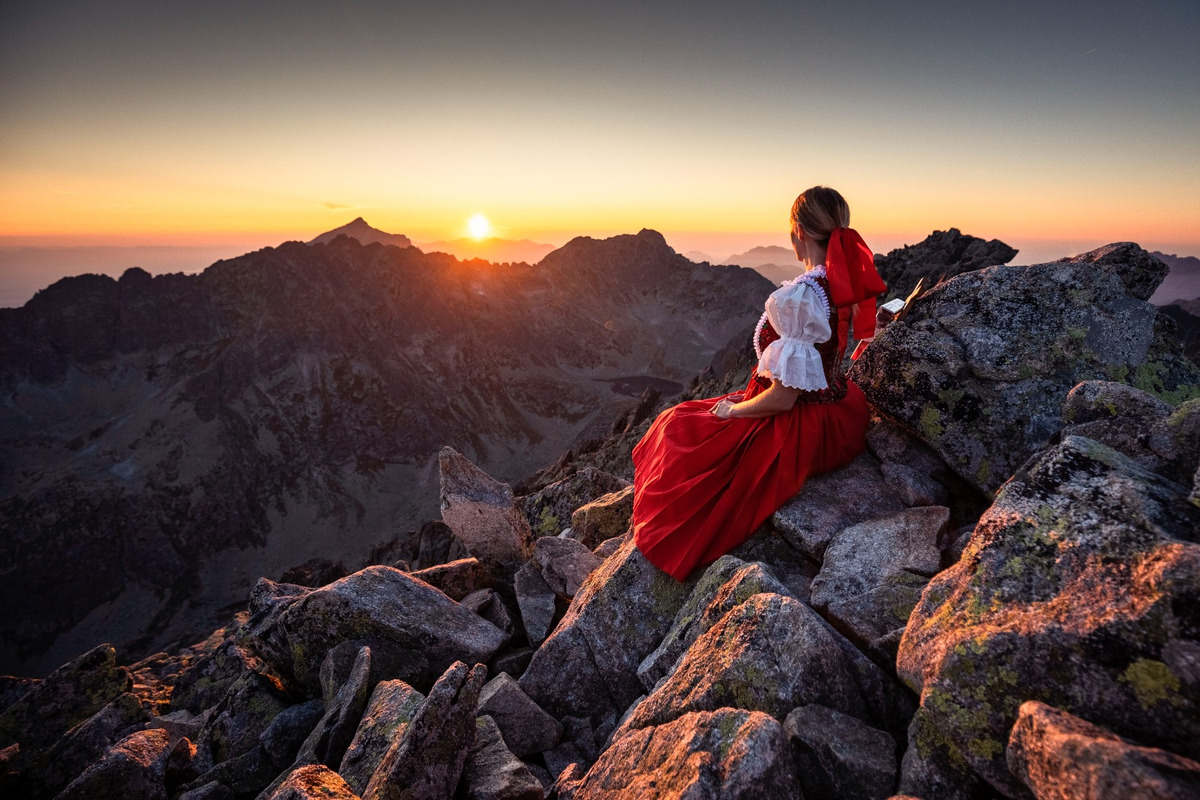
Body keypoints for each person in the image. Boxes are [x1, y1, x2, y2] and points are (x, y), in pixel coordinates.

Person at [631, 186, 886, 581]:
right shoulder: (840, 282)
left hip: (800, 428)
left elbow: (783, 400)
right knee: (686, 417)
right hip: (841, 414)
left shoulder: (801, 297)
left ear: (798, 232)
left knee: (677, 426)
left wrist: (734, 410)